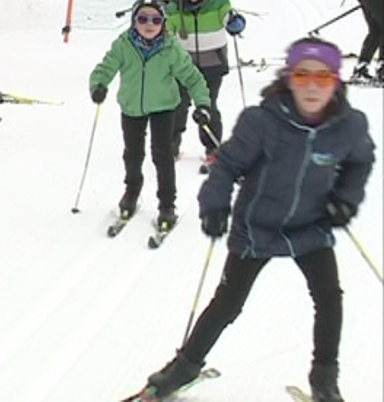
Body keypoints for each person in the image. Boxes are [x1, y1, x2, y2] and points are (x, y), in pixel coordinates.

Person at [138, 37, 375, 402]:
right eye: (302, 75)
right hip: (257, 228)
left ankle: (325, 381)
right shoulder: (263, 122)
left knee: (329, 299)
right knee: (228, 302)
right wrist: (214, 205)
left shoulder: (349, 126)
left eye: (323, 78)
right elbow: (227, 165)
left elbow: (361, 161)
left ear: (336, 82)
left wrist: (345, 199)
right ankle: (184, 367)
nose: (312, 86)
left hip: (311, 227)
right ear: (288, 78)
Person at [89, 0, 211, 229]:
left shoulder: (171, 49)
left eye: (155, 20)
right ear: (134, 21)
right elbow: (105, 67)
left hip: (163, 107)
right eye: (143, 18)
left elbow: (192, 78)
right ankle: (132, 191)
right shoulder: (123, 45)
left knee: (162, 155)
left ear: (163, 23)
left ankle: (167, 203)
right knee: (132, 153)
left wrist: (202, 104)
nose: (149, 25)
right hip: (132, 106)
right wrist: (98, 85)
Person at [165, 0, 247, 173]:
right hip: (184, 67)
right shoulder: (174, 7)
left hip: (212, 65)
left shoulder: (218, 3)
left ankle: (212, 148)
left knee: (208, 106)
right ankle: (171, 146)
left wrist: (235, 23)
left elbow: (230, 18)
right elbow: (167, 31)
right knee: (178, 104)